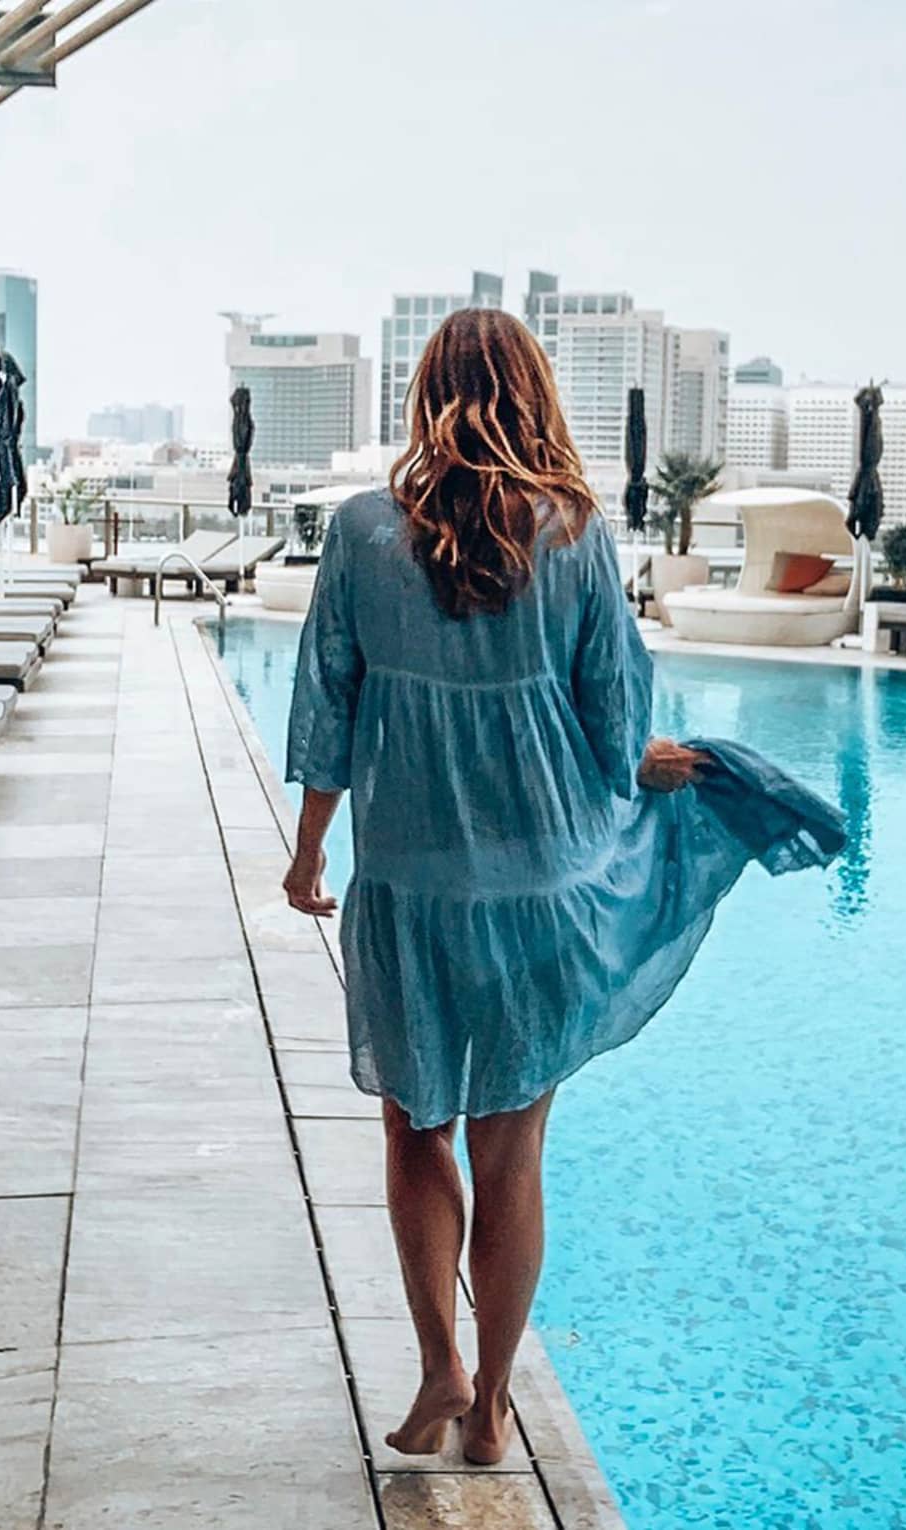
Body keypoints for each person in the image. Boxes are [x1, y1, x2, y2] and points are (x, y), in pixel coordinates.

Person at [282, 308, 842, 1464]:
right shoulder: (577, 535)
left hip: (408, 886)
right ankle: (490, 1410)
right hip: (543, 890)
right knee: (512, 1151)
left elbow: (326, 704)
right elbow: (613, 724)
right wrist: (657, 765)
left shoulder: (359, 533)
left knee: (412, 1128)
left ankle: (438, 1360)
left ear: (424, 392)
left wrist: (306, 851)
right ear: (535, 391)